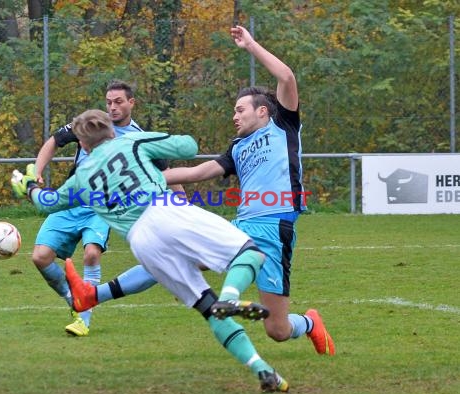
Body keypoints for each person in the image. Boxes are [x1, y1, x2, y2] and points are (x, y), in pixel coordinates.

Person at [51, 25, 336, 358]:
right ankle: (94, 294)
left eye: (239, 109)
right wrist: (149, 180)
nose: (234, 116)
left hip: (276, 226)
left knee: (278, 330)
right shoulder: (238, 147)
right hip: (244, 225)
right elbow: (200, 172)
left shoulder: (282, 124)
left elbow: (286, 78)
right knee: (171, 256)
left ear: (262, 110)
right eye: (233, 111)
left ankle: (310, 323)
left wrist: (251, 45)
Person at [12, 109, 290, 393]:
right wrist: (154, 143)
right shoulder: (131, 141)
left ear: (82, 145)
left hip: (141, 241)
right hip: (166, 211)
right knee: (250, 253)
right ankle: (230, 297)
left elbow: (47, 202)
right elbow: (188, 146)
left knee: (207, 307)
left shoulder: (82, 176)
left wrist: (29, 185)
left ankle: (263, 370)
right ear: (111, 131)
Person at [31, 80, 170, 337]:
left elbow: (167, 173)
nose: (113, 107)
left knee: (91, 254)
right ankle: (73, 297)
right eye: (109, 102)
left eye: (118, 102)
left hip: (101, 207)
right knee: (40, 257)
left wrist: (176, 203)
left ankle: (83, 318)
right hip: (70, 201)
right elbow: (54, 140)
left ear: (131, 103)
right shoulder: (92, 124)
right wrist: (37, 171)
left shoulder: (140, 138)